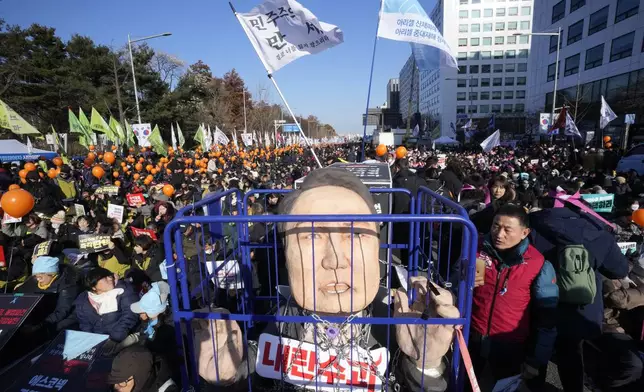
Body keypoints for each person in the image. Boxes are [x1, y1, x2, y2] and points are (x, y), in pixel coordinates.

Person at [193, 167, 459, 391]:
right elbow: (256, 364)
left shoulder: (396, 321)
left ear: (377, 246)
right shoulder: (284, 320)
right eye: (311, 236)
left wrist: (426, 366)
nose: (334, 260)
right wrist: (227, 378)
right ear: (287, 257)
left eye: (354, 235)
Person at [530, 199, 629, 392]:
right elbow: (619, 269)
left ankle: (535, 386)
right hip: (582, 305)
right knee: (572, 354)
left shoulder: (535, 224)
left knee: (537, 350)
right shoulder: (599, 232)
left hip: (539, 301)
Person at [468, 204, 558, 388]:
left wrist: (536, 360)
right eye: (495, 226)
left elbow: (547, 319)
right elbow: (454, 287)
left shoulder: (538, 264)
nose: (499, 234)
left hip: (510, 345)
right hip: (473, 337)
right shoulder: (475, 250)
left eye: (507, 229)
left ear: (524, 233)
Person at [75, 267, 140, 353]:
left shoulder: (124, 290)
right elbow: (85, 324)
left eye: (109, 276)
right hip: (98, 341)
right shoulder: (83, 300)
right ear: (93, 287)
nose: (110, 278)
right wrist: (91, 340)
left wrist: (114, 339)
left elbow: (129, 316)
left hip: (121, 338)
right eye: (104, 278)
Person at [15, 255, 80, 334]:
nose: (38, 279)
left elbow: (62, 311)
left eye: (40, 277)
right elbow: (18, 294)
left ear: (52, 274)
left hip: (62, 318)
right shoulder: (35, 280)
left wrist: (41, 326)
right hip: (42, 315)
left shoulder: (67, 285)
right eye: (36, 276)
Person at [129, 281, 176, 364]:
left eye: (142, 311)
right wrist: (144, 321)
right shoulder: (151, 320)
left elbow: (156, 347)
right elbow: (143, 334)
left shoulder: (166, 328)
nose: (140, 314)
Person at [108, 345, 179, 392]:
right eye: (114, 381)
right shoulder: (139, 385)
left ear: (139, 377)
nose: (116, 388)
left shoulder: (167, 389)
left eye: (122, 382)